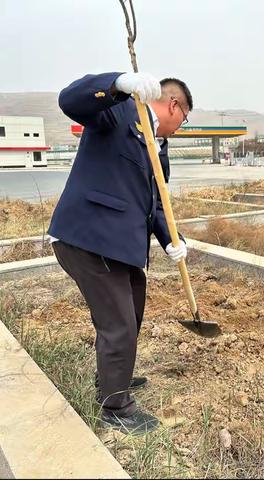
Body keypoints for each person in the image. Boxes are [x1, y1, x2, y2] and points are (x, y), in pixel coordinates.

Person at [48, 71, 193, 434]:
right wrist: (116, 84)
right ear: (173, 105)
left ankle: (114, 376)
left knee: (133, 308)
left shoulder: (159, 149)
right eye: (184, 119)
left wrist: (173, 240)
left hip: (119, 248)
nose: (181, 127)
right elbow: (70, 100)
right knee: (120, 324)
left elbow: (157, 204)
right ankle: (114, 407)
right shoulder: (120, 111)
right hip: (89, 238)